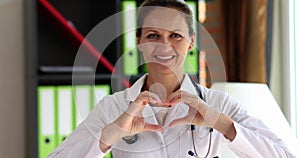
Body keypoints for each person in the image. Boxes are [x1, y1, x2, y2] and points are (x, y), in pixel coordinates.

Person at [48, 0, 296, 157]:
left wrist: (221, 124)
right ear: (140, 42)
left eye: (175, 36)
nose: (164, 46)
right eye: (154, 35)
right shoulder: (113, 108)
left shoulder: (218, 104)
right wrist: (111, 134)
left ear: (191, 42)